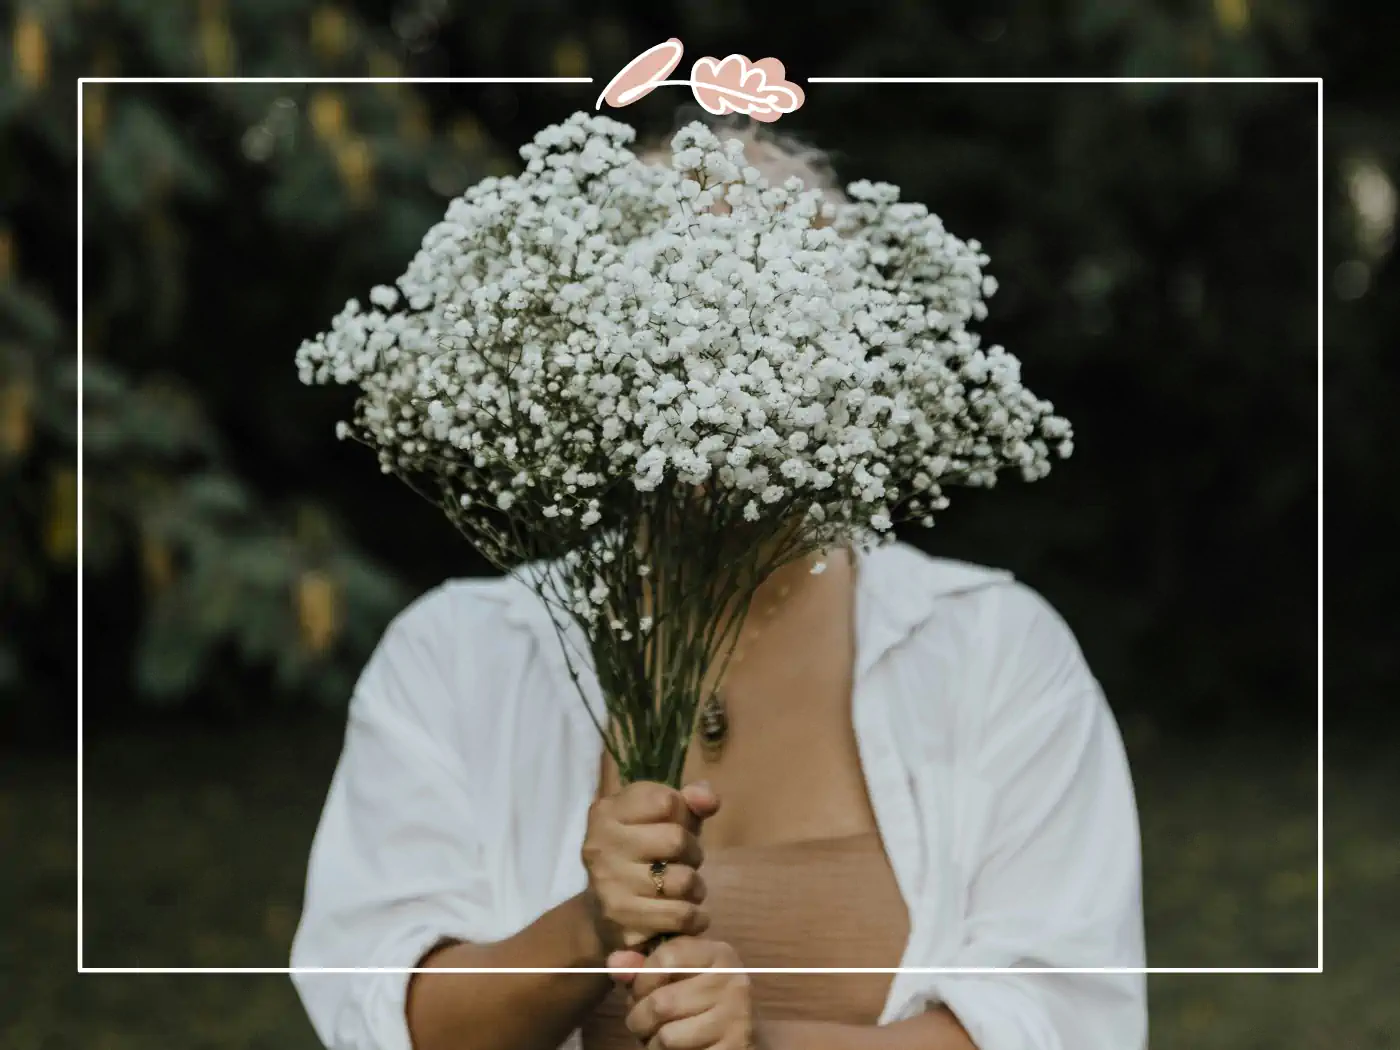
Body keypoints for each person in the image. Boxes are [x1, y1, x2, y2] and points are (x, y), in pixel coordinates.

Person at [290, 121, 1147, 1050]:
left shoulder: (995, 652)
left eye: (765, 329)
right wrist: (588, 929)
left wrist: (762, 1043)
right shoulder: (457, 656)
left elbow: (1064, 1026)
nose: (715, 378)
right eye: (675, 327)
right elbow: (382, 1021)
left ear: (846, 361)